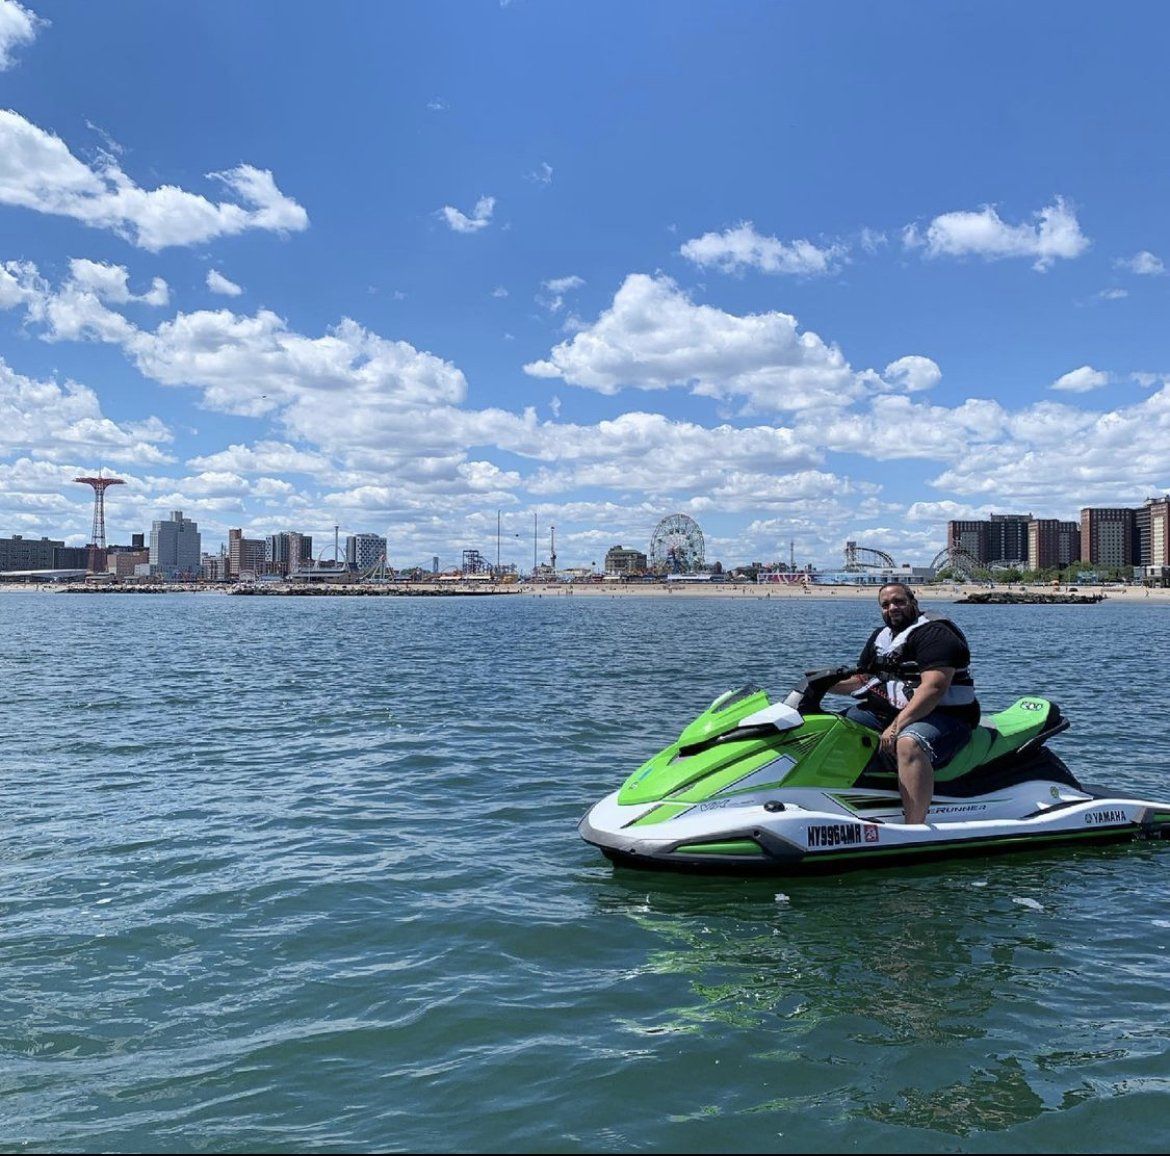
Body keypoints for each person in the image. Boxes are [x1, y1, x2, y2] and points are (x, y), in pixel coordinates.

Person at [829, 582, 979, 824]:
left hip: (947, 716)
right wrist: (820, 684)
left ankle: (914, 825)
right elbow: (862, 680)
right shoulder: (882, 637)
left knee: (909, 743)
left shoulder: (936, 634)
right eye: (885, 605)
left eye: (899, 601)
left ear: (914, 603)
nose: (892, 608)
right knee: (834, 726)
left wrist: (896, 726)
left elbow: (934, 688)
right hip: (894, 711)